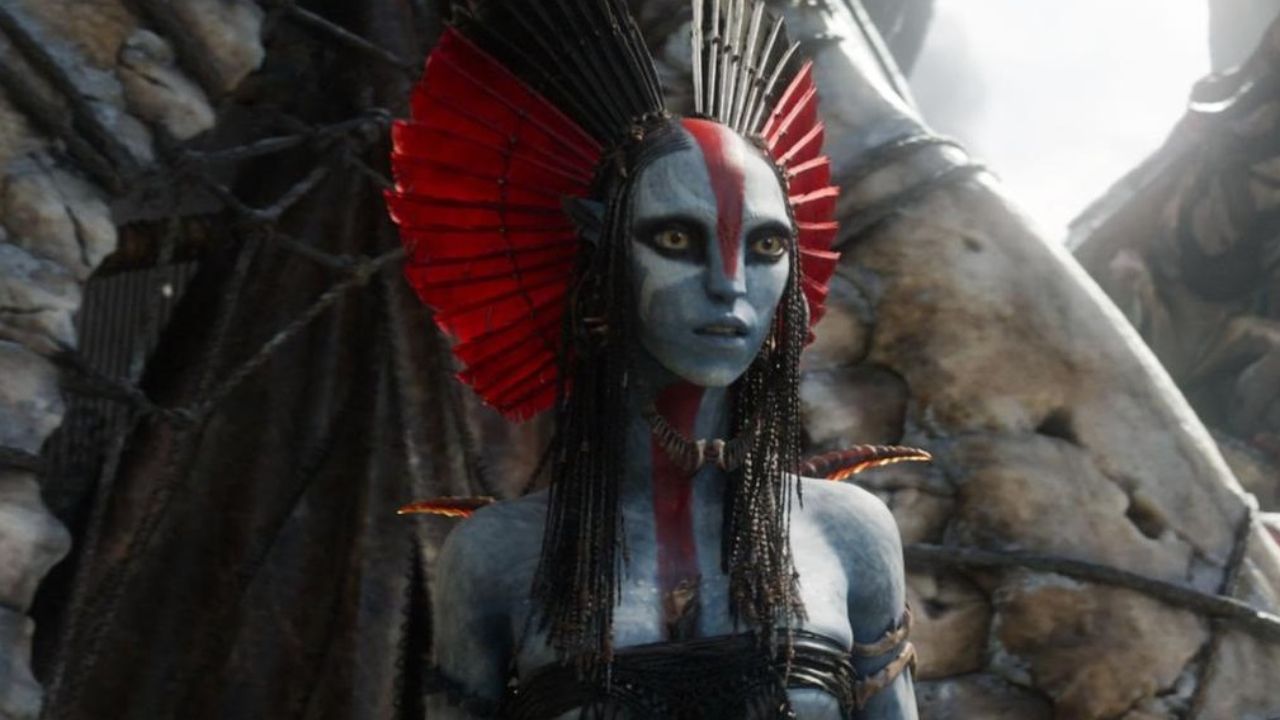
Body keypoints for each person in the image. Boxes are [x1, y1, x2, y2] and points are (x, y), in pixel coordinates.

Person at [385, 1, 918, 717]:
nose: (730, 286)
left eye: (765, 246)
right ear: (601, 253)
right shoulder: (494, 557)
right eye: (675, 239)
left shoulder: (849, 532)